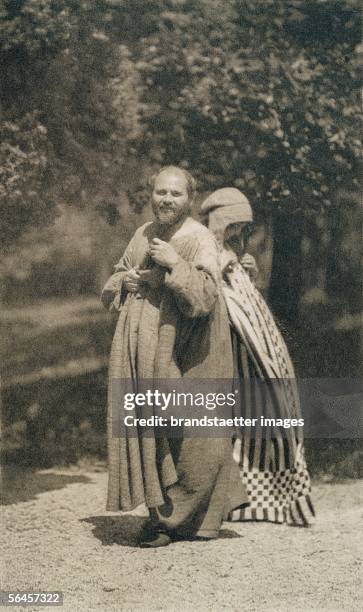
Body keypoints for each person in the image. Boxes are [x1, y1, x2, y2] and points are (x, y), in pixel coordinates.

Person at [101, 168, 248, 547]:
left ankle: (189, 520)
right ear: (151, 195)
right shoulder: (143, 233)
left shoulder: (199, 239)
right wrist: (125, 282)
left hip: (194, 343)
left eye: (176, 194)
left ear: (190, 199)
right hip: (150, 343)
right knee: (154, 425)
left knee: (197, 431)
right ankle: (162, 517)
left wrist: (173, 264)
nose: (166, 199)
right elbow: (116, 276)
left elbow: (205, 297)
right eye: (161, 192)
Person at [201, 188, 315, 526]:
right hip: (227, 343)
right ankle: (228, 498)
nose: (238, 234)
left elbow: (246, 299)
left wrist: (246, 273)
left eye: (241, 228)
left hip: (253, 348)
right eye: (232, 226)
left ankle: (267, 498)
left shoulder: (235, 252)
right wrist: (224, 265)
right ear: (220, 221)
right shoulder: (203, 247)